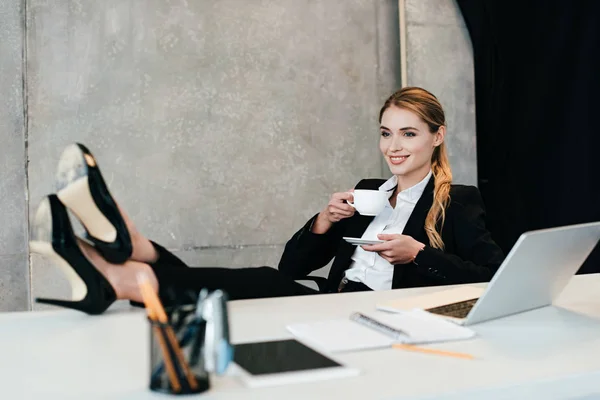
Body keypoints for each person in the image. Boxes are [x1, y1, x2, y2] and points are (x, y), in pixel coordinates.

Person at [31, 87, 504, 315]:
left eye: (408, 133)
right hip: (334, 302)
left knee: (257, 284)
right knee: (258, 284)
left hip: (383, 316)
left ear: (437, 137)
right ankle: (134, 259)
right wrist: (323, 221)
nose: (394, 146)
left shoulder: (458, 202)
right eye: (385, 133)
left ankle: (129, 265)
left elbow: (491, 278)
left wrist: (418, 254)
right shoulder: (369, 191)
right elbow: (291, 265)